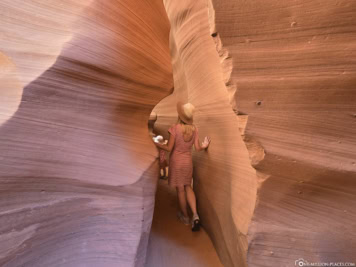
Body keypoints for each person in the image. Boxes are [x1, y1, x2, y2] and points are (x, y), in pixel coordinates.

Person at [154, 102, 211, 231]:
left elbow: (168, 148)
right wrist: (204, 146)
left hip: (177, 161)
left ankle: (185, 217)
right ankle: (195, 215)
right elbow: (197, 148)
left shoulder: (174, 128)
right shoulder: (194, 129)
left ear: (180, 115)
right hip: (188, 161)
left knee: (180, 190)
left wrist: (156, 144)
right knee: (188, 186)